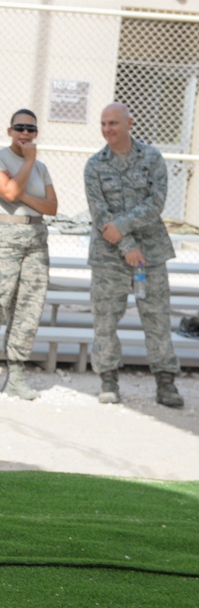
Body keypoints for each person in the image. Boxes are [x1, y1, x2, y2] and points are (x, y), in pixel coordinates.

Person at [83, 102, 183, 407]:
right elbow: (100, 213)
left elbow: (156, 203)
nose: (107, 129)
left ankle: (165, 382)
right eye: (103, 124)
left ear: (130, 123)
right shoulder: (94, 165)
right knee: (105, 321)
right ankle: (108, 379)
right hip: (108, 256)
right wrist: (127, 246)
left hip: (150, 255)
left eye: (113, 123)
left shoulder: (152, 158)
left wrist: (123, 228)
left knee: (156, 320)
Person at [0, 109, 58, 402]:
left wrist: (24, 194)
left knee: (29, 309)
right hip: (3, 240)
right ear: (9, 131)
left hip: (35, 240)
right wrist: (27, 164)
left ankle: (15, 375)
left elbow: (52, 207)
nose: (25, 134)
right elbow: (6, 192)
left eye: (31, 129)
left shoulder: (41, 168)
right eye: (19, 128)